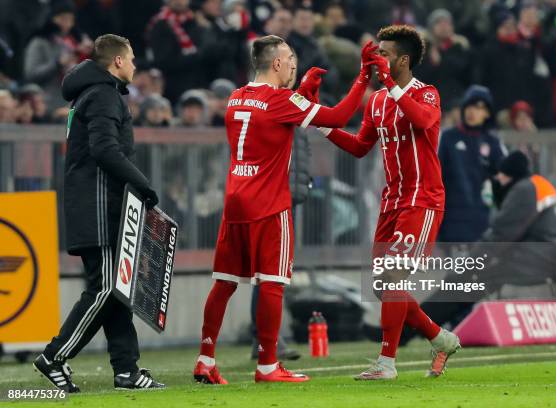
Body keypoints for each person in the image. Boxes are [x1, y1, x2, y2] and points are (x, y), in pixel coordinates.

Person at [193, 34, 378, 384]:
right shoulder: (281, 100)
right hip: (269, 202)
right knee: (273, 283)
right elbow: (338, 116)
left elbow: (276, 121)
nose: (295, 65)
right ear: (277, 62)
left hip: (234, 200)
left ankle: (205, 358)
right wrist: (362, 77)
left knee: (224, 283)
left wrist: (302, 96)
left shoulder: (236, 97)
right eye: (291, 58)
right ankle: (267, 366)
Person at [317, 25, 460, 380]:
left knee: (393, 278)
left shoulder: (426, 93)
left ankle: (386, 363)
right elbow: (360, 146)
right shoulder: (378, 100)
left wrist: (392, 86)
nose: (377, 58)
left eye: (384, 53)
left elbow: (424, 120)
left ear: (404, 60)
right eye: (375, 52)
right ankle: (440, 338)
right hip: (392, 200)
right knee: (382, 285)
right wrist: (321, 123)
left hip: (422, 198)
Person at [33, 34, 163, 392]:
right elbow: (105, 149)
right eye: (132, 58)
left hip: (95, 205)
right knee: (106, 289)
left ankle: (127, 371)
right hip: (99, 207)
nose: (135, 65)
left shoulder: (88, 94)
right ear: (118, 61)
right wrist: (143, 185)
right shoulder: (103, 94)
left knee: (117, 291)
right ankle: (54, 356)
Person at [419, 151, 556, 328]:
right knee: (476, 279)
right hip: (547, 258)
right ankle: (425, 323)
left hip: (534, 261)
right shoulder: (540, 184)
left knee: (470, 282)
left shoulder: (524, 190)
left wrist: (466, 267)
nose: (498, 178)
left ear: (510, 175)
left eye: (501, 174)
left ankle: (416, 325)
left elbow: (499, 237)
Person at [437, 85, 506, 243]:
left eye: (479, 107)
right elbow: (437, 179)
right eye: (469, 105)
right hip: (451, 222)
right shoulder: (448, 138)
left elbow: (503, 178)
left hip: (482, 223)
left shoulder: (493, 142)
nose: (472, 111)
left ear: (487, 113)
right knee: (456, 267)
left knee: (477, 267)